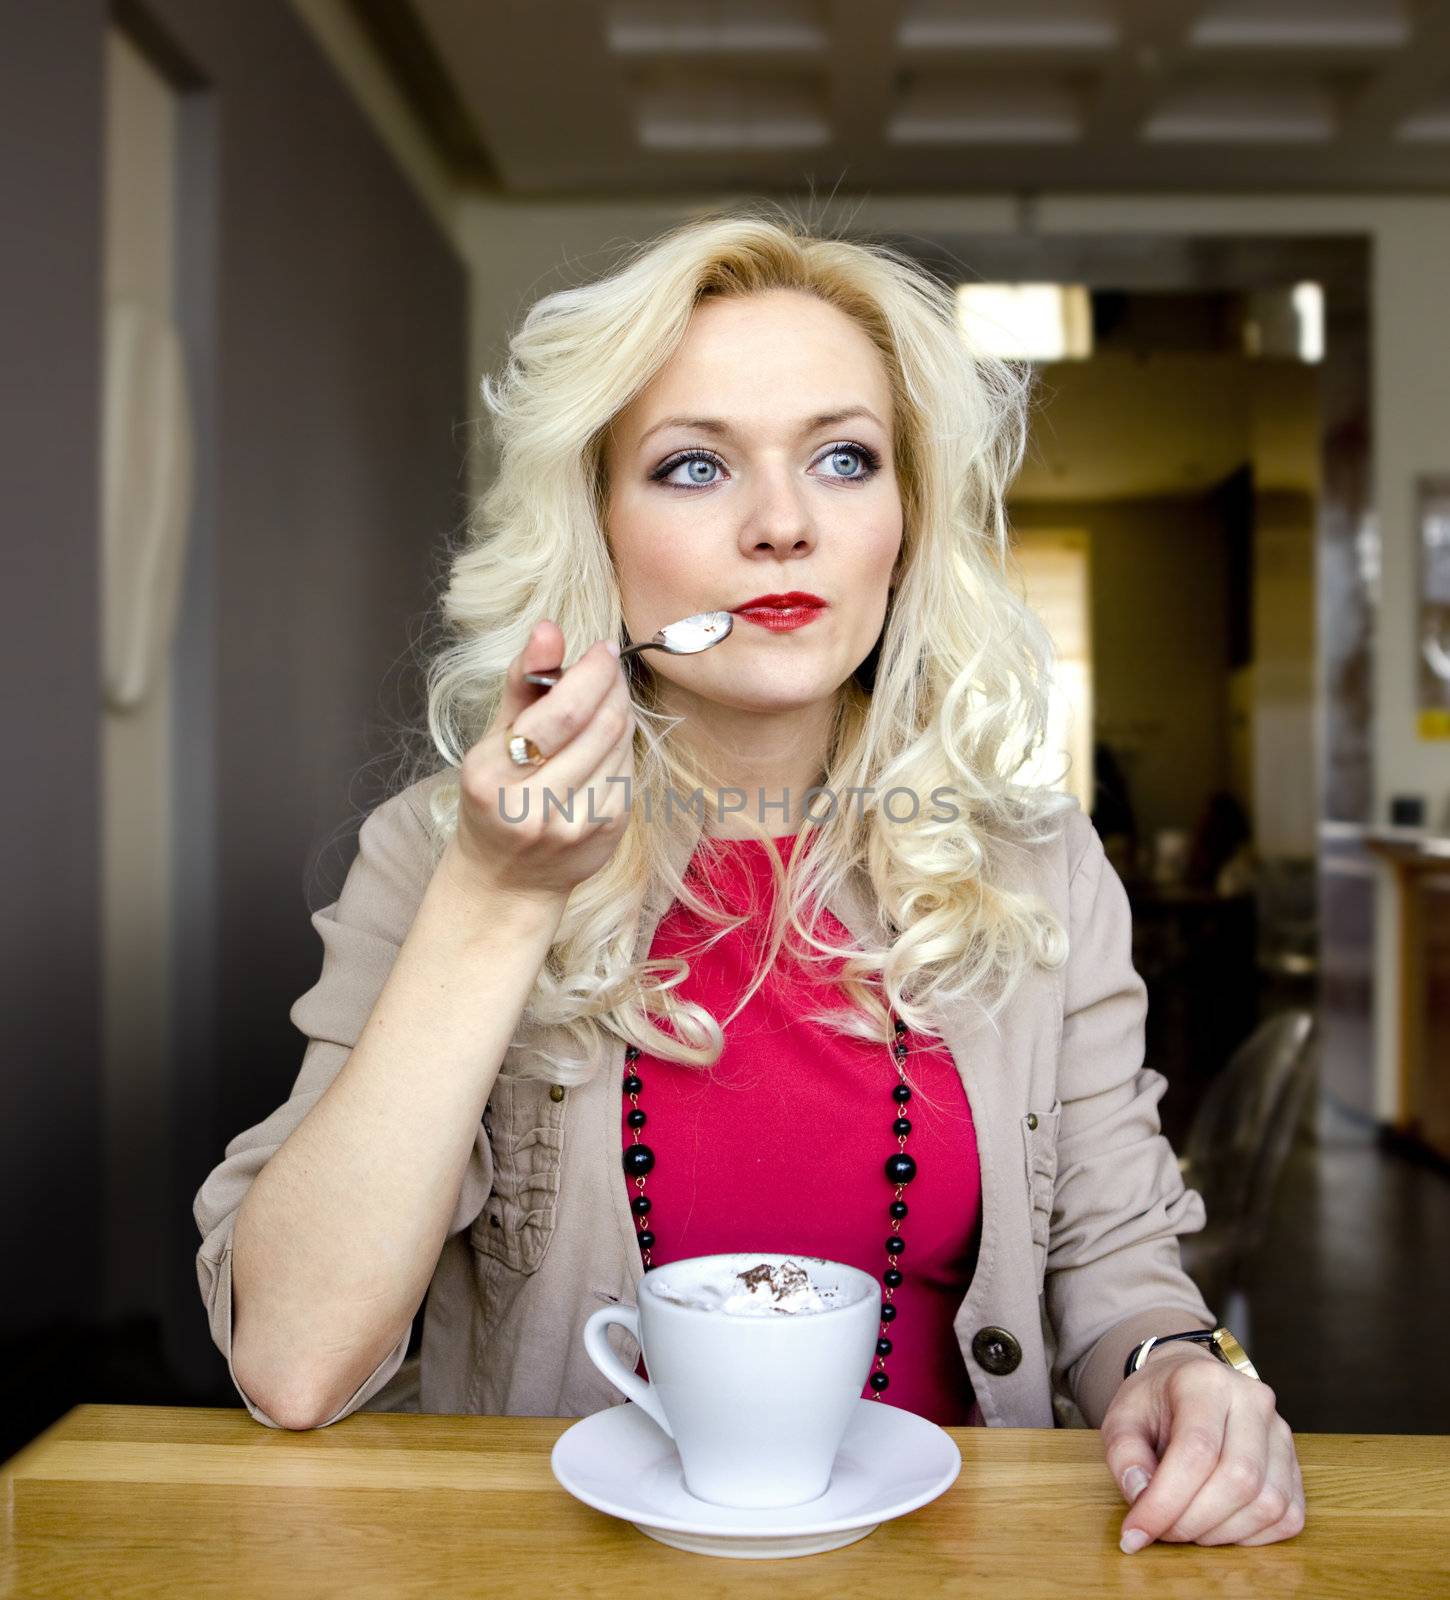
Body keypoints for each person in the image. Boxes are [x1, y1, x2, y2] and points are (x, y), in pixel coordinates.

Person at [194, 210, 1304, 1553]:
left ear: (905, 521)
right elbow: (294, 1363)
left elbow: (1118, 1274)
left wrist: (1178, 1371)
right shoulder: (441, 857)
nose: (782, 526)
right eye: (691, 466)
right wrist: (496, 898)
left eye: (843, 459)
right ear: (597, 531)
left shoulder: (1038, 869)